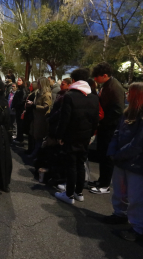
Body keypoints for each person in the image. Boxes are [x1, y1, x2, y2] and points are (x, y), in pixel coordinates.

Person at [102, 82, 143, 242]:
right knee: (119, 191)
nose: (127, 94)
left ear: (140, 95)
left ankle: (139, 228)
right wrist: (113, 151)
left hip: (136, 163)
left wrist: (118, 154)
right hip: (122, 160)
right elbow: (117, 133)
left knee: (136, 197)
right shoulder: (128, 112)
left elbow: (139, 143)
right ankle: (119, 214)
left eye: (131, 92)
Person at [54, 69, 99, 204]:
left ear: (73, 80)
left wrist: (60, 135)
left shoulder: (70, 96)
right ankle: (79, 192)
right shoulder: (94, 97)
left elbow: (64, 119)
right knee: (81, 164)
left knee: (71, 165)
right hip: (85, 136)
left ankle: (69, 195)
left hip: (71, 136)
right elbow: (95, 120)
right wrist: (91, 134)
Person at [89, 62, 125, 194]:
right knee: (102, 155)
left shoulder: (114, 87)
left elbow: (118, 110)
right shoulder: (108, 85)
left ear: (104, 75)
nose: (95, 79)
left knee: (107, 156)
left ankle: (104, 185)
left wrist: (103, 121)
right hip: (105, 126)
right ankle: (101, 180)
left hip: (110, 128)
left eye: (97, 77)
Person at [27, 77, 52, 159]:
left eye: (38, 83)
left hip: (42, 119)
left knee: (39, 139)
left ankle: (37, 155)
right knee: (35, 137)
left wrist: (33, 105)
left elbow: (46, 107)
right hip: (36, 118)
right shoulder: (39, 92)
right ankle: (35, 154)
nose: (37, 84)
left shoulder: (46, 94)